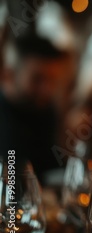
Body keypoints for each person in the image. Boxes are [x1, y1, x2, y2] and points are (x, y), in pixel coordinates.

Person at [0, 33, 71, 185]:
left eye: (52, 80)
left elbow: (50, 165)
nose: (47, 89)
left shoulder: (44, 109)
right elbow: (11, 183)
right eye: (37, 78)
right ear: (9, 74)